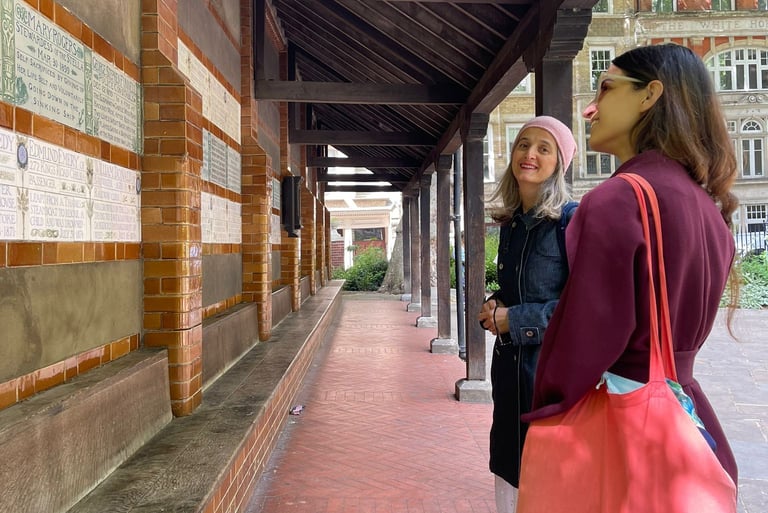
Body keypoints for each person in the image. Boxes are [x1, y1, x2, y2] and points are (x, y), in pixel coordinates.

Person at [523, 43, 739, 486]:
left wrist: (546, 406)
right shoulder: (706, 205)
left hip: (622, 422)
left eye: (605, 88)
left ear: (649, 95)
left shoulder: (618, 198)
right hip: (683, 416)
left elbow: (584, 339)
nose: (590, 109)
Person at [477, 115, 577, 513]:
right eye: (523, 144)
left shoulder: (570, 221)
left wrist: (513, 320)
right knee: (509, 476)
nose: (529, 154)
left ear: (559, 163)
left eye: (543, 147)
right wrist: (496, 303)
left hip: (548, 376)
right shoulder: (512, 224)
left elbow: (581, 308)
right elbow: (520, 288)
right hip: (509, 374)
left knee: (546, 480)